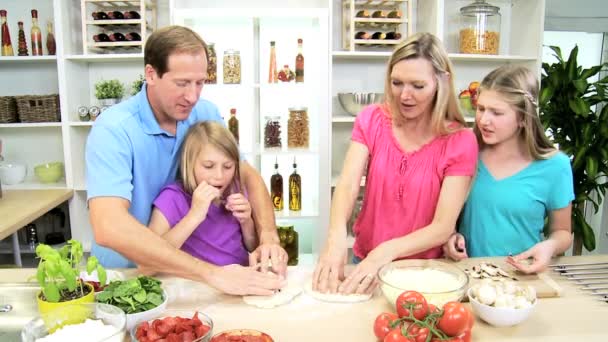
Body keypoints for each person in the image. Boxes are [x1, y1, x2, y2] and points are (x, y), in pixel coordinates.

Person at [85, 25, 287, 296]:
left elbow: (246, 173)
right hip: (124, 276)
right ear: (151, 74)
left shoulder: (205, 113)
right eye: (181, 83)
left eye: (200, 82)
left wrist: (268, 236)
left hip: (180, 276)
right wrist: (211, 273)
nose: (192, 96)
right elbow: (108, 226)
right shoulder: (113, 130)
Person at [313, 32, 478, 295]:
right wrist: (335, 238)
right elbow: (347, 185)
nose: (404, 95)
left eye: (417, 86)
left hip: (425, 273)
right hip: (365, 262)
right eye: (397, 83)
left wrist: (385, 252)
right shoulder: (372, 119)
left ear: (442, 82)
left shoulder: (460, 141)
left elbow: (442, 227)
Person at [443, 65, 573, 274]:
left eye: (497, 112)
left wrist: (549, 246)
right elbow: (447, 216)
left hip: (521, 277)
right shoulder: (467, 153)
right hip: (468, 275)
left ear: (523, 118)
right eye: (481, 108)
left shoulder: (555, 166)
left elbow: (563, 232)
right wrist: (451, 236)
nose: (484, 120)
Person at [149, 121, 258, 266]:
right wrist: (194, 216)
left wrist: (247, 222)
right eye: (208, 166)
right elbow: (151, 257)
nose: (219, 175)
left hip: (239, 281)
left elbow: (253, 247)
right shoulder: (172, 198)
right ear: (189, 163)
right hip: (193, 284)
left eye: (227, 166)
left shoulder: (236, 191)